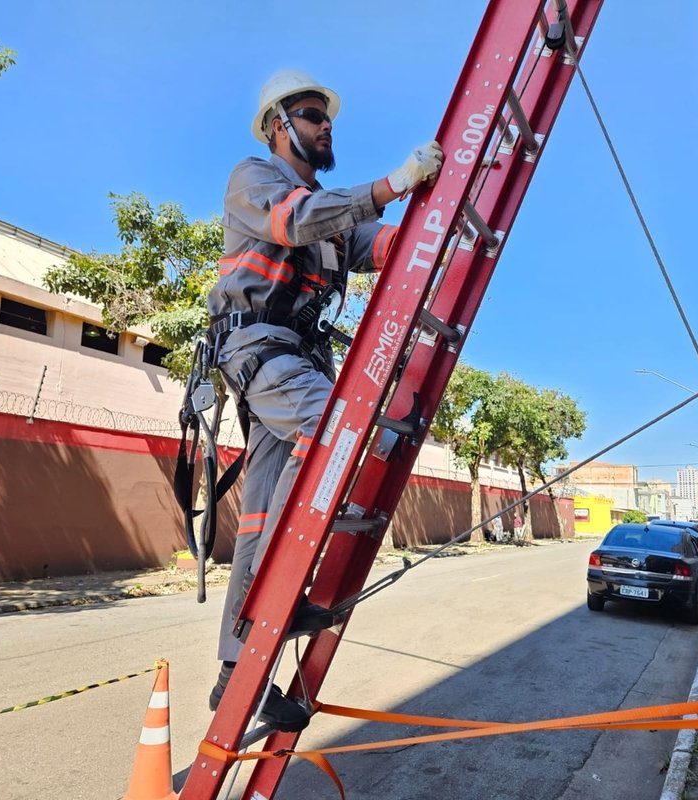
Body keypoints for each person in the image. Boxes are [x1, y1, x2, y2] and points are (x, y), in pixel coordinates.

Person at [205, 69, 443, 729]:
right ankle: (275, 596)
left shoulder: (334, 227)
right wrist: (392, 184)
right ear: (278, 126)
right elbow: (294, 220)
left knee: (258, 520)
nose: (324, 125)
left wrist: (439, 219)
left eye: (326, 116)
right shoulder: (253, 179)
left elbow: (384, 245)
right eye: (312, 115)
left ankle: (235, 674)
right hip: (261, 351)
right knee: (337, 436)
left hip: (293, 359)